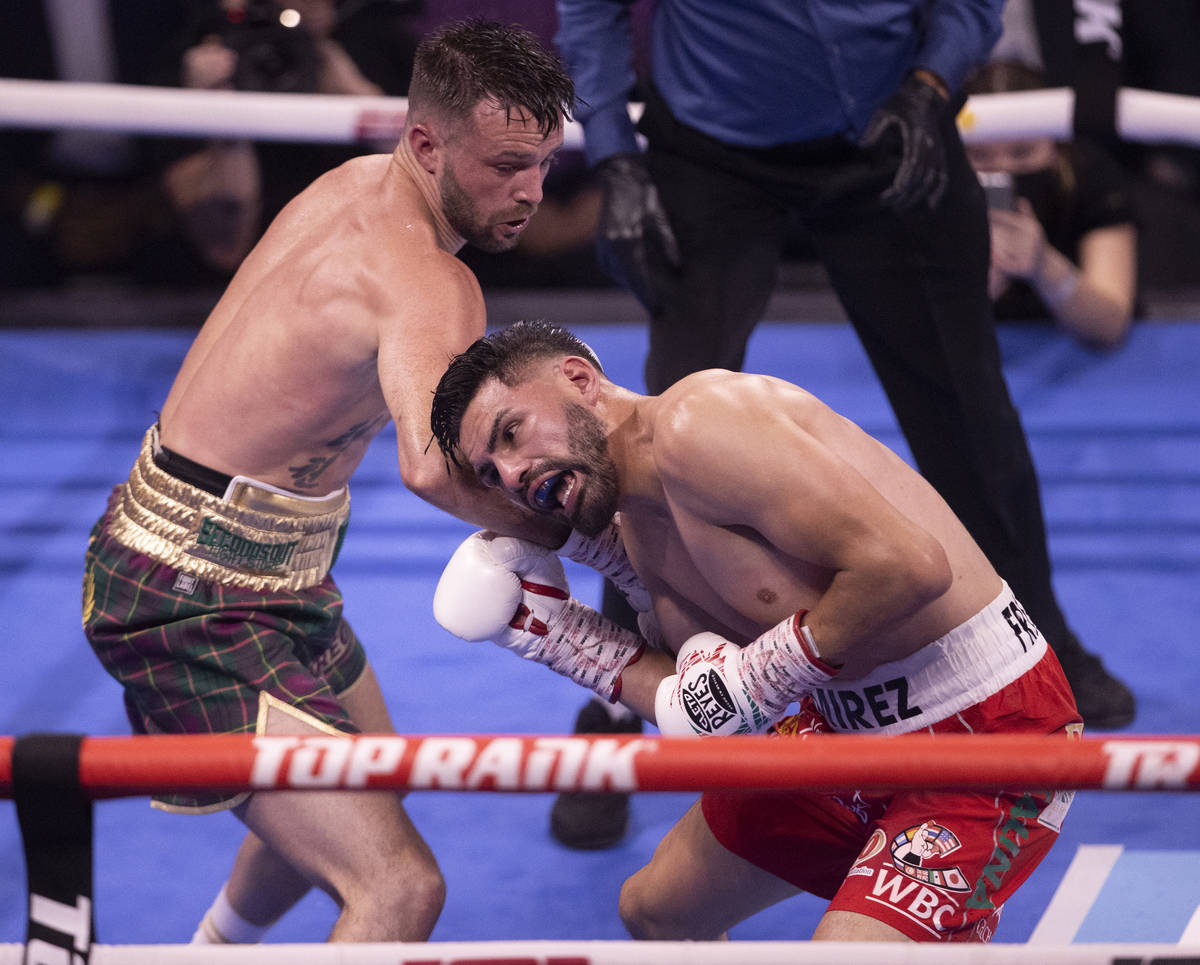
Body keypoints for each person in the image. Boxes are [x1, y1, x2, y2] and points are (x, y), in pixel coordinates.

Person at [549, 0, 1133, 848]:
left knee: (967, 406)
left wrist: (934, 86)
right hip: (711, 146)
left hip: (889, 124)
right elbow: (594, 9)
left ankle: (1047, 642)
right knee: (644, 442)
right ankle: (617, 704)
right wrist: (616, 157)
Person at [82, 19, 579, 944]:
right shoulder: (430, 280)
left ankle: (209, 951)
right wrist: (586, 536)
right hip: (193, 592)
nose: (531, 193)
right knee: (399, 888)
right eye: (507, 164)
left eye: (545, 163)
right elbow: (432, 465)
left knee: (361, 775)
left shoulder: (351, 183)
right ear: (427, 143)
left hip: (248, 561)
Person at [430, 319, 1083, 944]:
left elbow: (911, 567)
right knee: (655, 911)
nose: (512, 476)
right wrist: (557, 637)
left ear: (579, 379)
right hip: (838, 735)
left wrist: (762, 675)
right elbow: (703, 711)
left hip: (981, 733)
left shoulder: (700, 425)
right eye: (491, 472)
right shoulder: (641, 535)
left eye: (511, 432)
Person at [964, 59, 1139, 349]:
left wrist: (1043, 266)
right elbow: (908, 338)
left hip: (1087, 368)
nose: (1001, 169)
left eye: (1022, 153)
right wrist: (969, 291)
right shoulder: (928, 189)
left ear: (1056, 147)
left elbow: (1110, 326)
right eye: (981, 156)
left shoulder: (1092, 177)